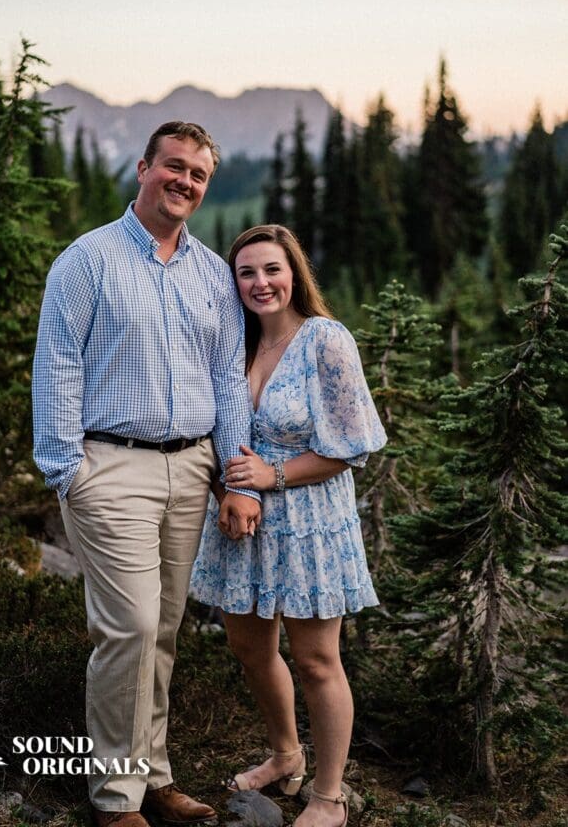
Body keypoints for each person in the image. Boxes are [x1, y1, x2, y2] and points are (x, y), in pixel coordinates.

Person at [32, 122, 261, 827]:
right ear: (143, 167)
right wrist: (67, 470)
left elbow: (227, 379)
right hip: (109, 466)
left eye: (198, 174)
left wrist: (236, 477)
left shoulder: (212, 275)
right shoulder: (88, 260)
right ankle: (115, 800)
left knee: (161, 631)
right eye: (174, 166)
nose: (184, 181)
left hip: (191, 469)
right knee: (130, 627)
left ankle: (153, 777)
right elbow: (57, 363)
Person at [191, 225, 387, 827]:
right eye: (246, 272)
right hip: (239, 521)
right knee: (250, 648)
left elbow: (352, 446)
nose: (260, 283)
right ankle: (285, 754)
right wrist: (228, 491)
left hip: (309, 522)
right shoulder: (233, 342)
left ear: (294, 273)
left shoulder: (325, 339)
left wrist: (271, 475)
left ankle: (329, 795)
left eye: (272, 269)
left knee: (317, 660)